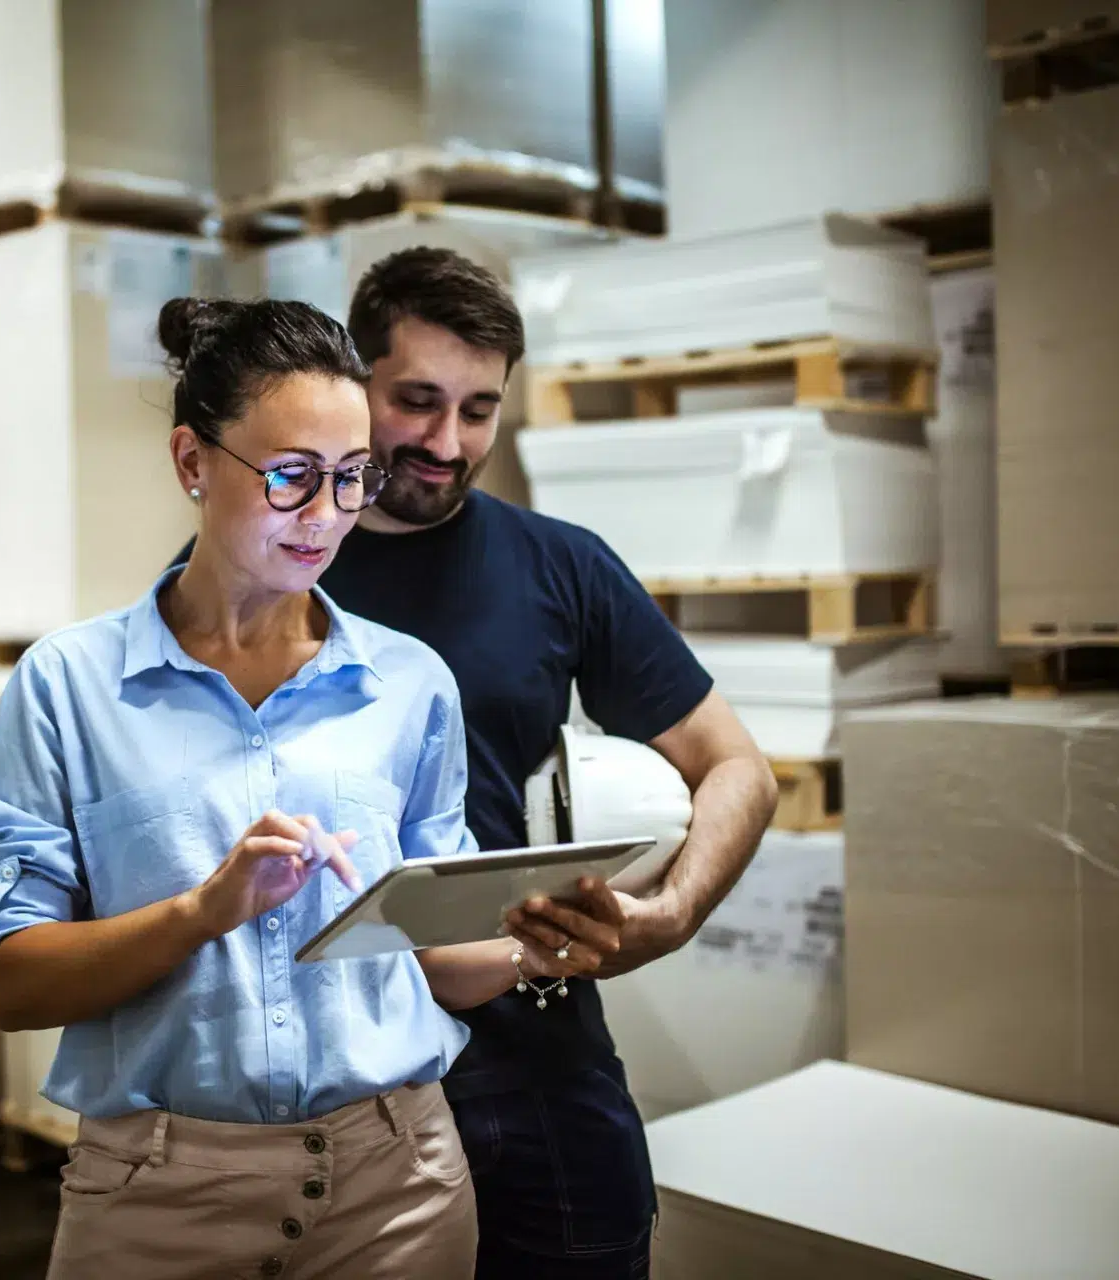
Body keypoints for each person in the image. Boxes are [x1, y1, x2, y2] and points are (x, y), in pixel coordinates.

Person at [0, 298, 596, 1280]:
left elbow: (431, 957)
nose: (327, 516)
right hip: (157, 1198)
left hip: (400, 1187)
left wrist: (532, 939)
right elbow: (8, 980)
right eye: (293, 476)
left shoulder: (411, 682)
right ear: (191, 462)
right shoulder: (68, 687)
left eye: (351, 479)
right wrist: (201, 909)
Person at [186, 249, 781, 1275]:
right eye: (416, 401)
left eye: (479, 409)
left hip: (535, 1060)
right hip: (331, 1085)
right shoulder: (263, 568)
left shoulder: (563, 565)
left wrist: (669, 913)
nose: (446, 442)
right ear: (353, 381)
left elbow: (737, 767)